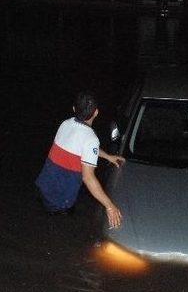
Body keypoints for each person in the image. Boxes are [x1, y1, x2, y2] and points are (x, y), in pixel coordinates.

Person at [35, 92, 125, 228]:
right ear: (96, 112)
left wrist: (107, 156)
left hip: (44, 184)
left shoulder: (66, 124)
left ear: (74, 109)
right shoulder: (91, 139)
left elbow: (81, 147)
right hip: (59, 198)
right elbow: (88, 178)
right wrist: (109, 206)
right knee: (58, 224)